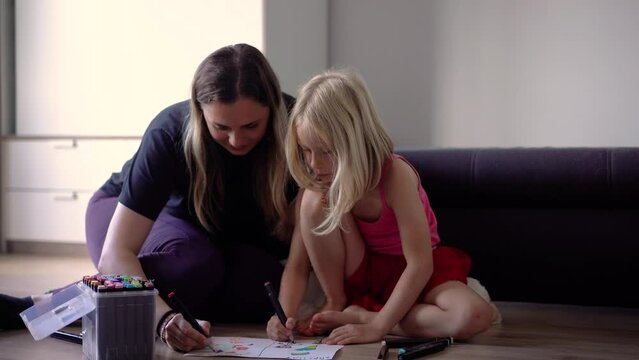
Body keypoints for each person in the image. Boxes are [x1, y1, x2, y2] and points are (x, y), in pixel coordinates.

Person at [0, 43, 297, 352]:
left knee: (265, 286)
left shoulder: (298, 125)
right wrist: (162, 318)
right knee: (194, 264)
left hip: (210, 239)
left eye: (251, 126)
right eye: (220, 127)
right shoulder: (169, 132)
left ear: (274, 109)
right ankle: (45, 305)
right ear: (200, 112)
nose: (236, 140)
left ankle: (127, 302)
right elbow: (117, 253)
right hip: (123, 213)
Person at [266, 70, 495, 345]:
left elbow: (420, 264)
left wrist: (377, 326)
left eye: (326, 151)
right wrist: (283, 315)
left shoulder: (395, 175)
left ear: (355, 139)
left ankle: (364, 316)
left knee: (474, 315)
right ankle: (336, 300)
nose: (314, 164)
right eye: (306, 150)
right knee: (313, 199)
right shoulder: (321, 182)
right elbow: (298, 265)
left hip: (416, 269)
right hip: (362, 269)